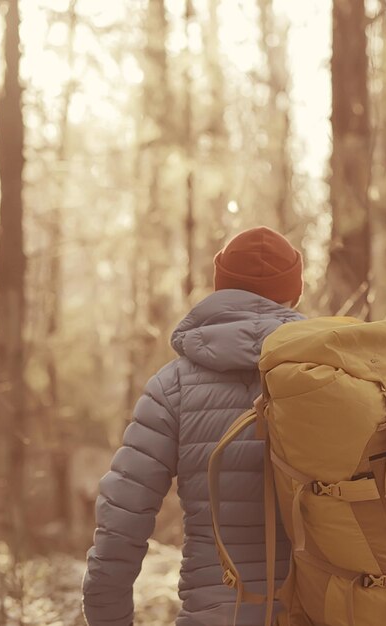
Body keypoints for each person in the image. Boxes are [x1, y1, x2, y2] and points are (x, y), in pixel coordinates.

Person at [82, 226, 305, 626]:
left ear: (221, 289)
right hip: (321, 609)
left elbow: (121, 521)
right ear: (293, 294)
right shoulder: (331, 377)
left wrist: (107, 617)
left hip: (217, 613)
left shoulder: (173, 387)